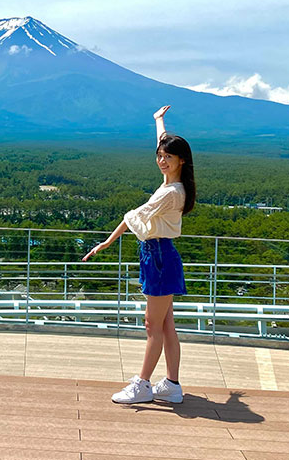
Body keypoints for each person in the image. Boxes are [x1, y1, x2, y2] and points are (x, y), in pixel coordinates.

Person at [82, 105, 196, 404]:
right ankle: (171, 385)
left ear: (181, 160)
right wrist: (159, 122)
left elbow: (133, 215)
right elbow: (164, 145)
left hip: (157, 257)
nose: (161, 161)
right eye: (159, 156)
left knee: (152, 326)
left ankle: (143, 385)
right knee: (166, 324)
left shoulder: (169, 193)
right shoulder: (172, 184)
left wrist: (107, 242)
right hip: (162, 255)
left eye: (167, 157)